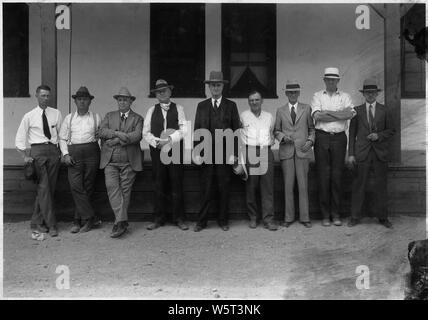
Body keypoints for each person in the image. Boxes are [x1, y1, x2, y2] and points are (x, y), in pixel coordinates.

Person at [193, 71, 241, 232]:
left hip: (225, 154)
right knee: (205, 188)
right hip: (206, 154)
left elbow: (236, 132)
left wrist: (234, 153)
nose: (215, 88)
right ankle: (202, 222)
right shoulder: (202, 106)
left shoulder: (231, 105)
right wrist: (197, 152)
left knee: (223, 188)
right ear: (208, 87)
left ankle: (223, 220)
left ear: (223, 87)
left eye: (218, 85)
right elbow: (197, 130)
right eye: (212, 85)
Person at [15, 85, 63, 237]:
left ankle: (36, 221)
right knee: (44, 188)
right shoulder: (29, 116)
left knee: (50, 189)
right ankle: (51, 224)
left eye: (48, 96)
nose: (46, 98)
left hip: (53, 152)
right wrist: (25, 156)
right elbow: (19, 138)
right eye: (43, 95)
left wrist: (62, 152)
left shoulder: (56, 113)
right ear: (36, 96)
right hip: (38, 152)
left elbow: (61, 135)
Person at [311, 67, 356, 227]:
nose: (331, 82)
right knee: (323, 177)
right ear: (324, 80)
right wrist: (338, 113)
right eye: (328, 79)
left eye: (334, 79)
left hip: (339, 138)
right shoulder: (317, 95)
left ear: (338, 81)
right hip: (321, 137)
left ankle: (336, 214)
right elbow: (317, 116)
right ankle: (325, 215)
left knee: (337, 177)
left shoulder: (345, 96)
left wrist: (327, 113)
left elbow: (350, 114)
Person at [348, 79, 395, 228]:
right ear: (364, 94)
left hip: (380, 153)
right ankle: (355, 217)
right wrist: (351, 154)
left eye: (373, 93)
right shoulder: (357, 111)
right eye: (367, 93)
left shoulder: (384, 110)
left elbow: (392, 130)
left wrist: (379, 136)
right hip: (362, 153)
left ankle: (383, 218)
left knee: (381, 186)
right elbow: (352, 133)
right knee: (358, 185)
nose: (370, 95)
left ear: (377, 94)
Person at [143, 79, 189, 231]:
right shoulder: (151, 110)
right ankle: (158, 218)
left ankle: (179, 218)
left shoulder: (179, 108)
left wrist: (169, 140)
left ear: (170, 92)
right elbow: (146, 132)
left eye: (164, 90)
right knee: (158, 183)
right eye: (158, 91)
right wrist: (158, 142)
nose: (162, 93)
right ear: (156, 95)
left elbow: (184, 130)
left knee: (177, 183)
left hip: (175, 150)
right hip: (157, 151)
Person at [98, 87, 144, 238]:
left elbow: (137, 136)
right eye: (120, 100)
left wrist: (117, 140)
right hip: (110, 161)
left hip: (129, 161)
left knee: (125, 191)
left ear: (131, 101)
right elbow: (101, 132)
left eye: (125, 99)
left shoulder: (138, 118)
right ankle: (122, 221)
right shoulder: (109, 116)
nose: (122, 102)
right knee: (112, 187)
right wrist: (118, 133)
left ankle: (119, 223)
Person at [59, 86, 102, 233]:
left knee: (88, 186)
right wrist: (65, 154)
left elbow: (100, 138)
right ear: (75, 102)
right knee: (76, 186)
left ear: (90, 102)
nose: (82, 102)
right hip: (74, 153)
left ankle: (78, 221)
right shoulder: (69, 118)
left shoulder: (96, 117)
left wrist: (99, 154)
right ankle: (91, 217)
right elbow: (62, 138)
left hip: (92, 153)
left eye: (85, 99)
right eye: (79, 99)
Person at [275, 80, 315, 228]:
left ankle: (305, 218)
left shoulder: (307, 108)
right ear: (286, 94)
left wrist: (310, 141)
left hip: (303, 151)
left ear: (299, 93)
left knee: (303, 186)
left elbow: (312, 129)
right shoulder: (280, 110)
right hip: (287, 151)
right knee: (288, 185)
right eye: (290, 92)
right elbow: (276, 131)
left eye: (295, 92)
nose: (292, 94)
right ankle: (288, 217)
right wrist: (282, 137)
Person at [240, 91, 277, 231]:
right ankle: (253, 217)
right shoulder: (243, 116)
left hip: (265, 152)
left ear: (262, 101)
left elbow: (272, 133)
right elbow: (238, 135)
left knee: (267, 187)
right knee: (252, 186)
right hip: (250, 152)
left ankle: (268, 219)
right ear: (248, 102)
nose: (254, 102)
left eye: (256, 100)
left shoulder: (269, 116)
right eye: (251, 100)